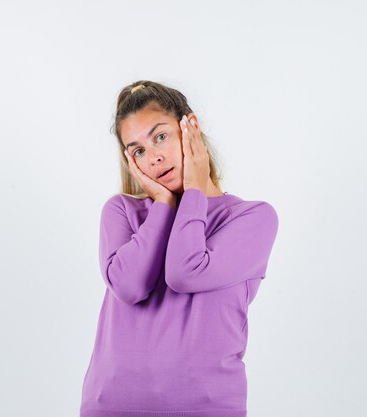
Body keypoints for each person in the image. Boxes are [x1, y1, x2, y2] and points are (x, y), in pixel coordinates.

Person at [79, 80, 279, 417]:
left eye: (160, 136)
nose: (154, 156)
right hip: (110, 407)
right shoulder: (121, 211)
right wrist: (162, 205)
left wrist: (194, 191)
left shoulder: (253, 218)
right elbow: (129, 286)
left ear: (191, 128)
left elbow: (186, 271)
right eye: (138, 150)